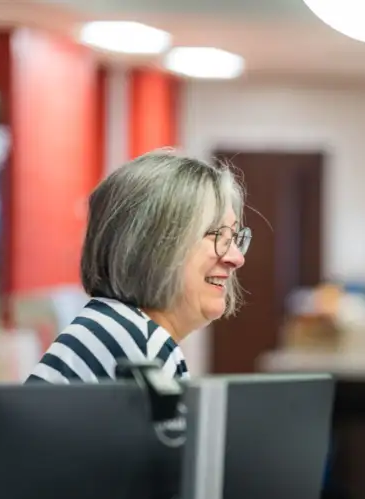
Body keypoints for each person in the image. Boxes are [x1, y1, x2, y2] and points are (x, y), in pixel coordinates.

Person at [27, 149, 250, 384]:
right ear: (151, 243)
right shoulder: (140, 350)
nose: (236, 258)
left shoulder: (117, 329)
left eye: (234, 237)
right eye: (215, 235)